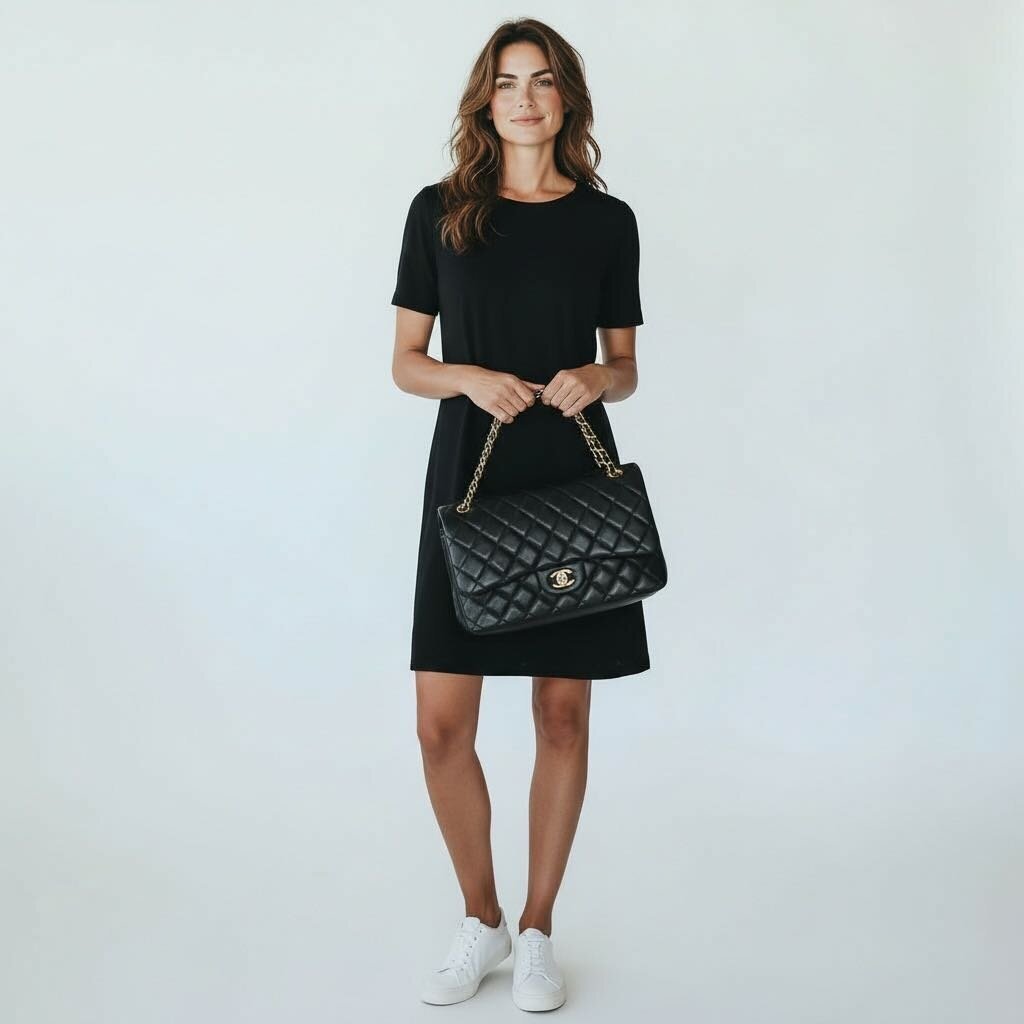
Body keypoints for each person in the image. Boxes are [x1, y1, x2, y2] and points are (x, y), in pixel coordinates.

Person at [390, 17, 649, 1012]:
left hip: (569, 474)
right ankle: (481, 916)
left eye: (542, 81)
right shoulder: (439, 212)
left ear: (566, 97)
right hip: (470, 467)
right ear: (485, 99)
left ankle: (537, 926)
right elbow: (405, 362)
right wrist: (468, 376)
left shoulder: (607, 222)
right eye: (507, 82)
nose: (525, 98)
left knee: (561, 712)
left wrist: (597, 376)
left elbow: (625, 366)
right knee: (439, 727)